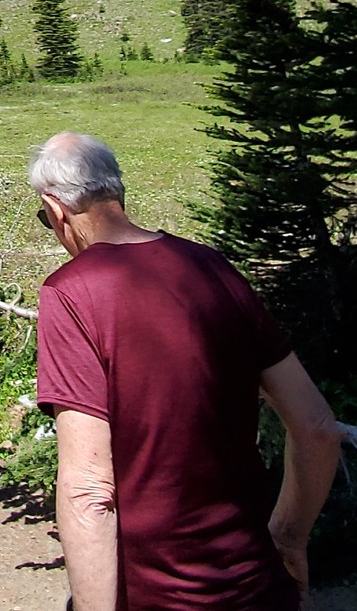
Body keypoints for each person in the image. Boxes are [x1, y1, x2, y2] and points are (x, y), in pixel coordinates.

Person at [28, 132, 339, 610]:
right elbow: (316, 426)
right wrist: (290, 539)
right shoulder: (211, 266)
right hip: (258, 588)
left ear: (55, 210)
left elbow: (88, 491)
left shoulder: (71, 293)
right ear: (117, 194)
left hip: (154, 596)